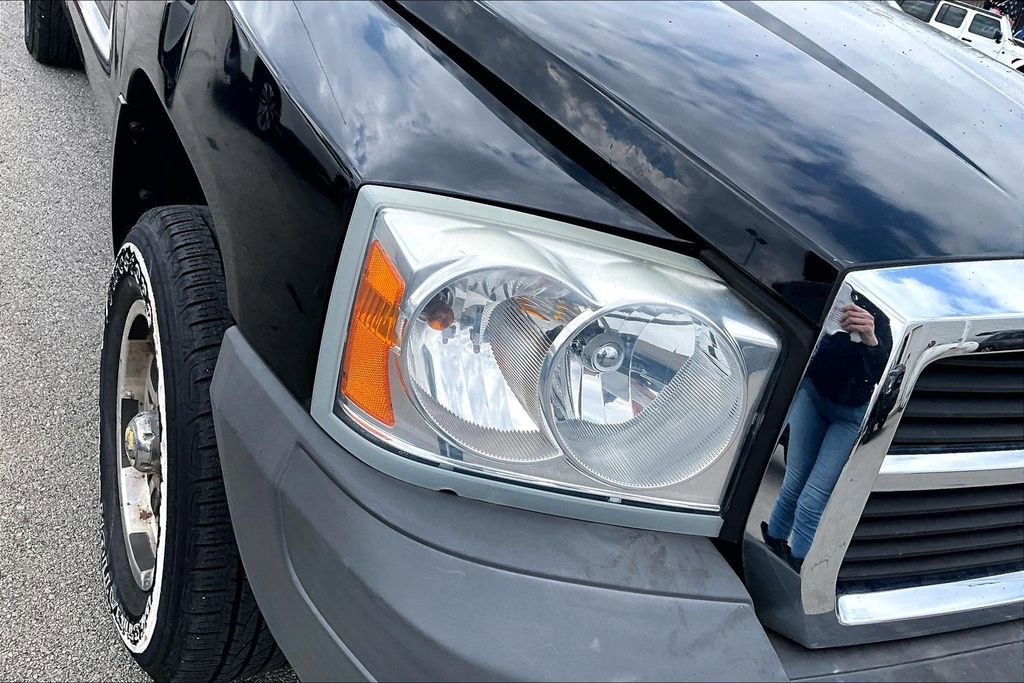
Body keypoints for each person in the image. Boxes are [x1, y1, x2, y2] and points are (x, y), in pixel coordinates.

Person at [762, 294, 892, 571]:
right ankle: (772, 540)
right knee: (793, 482)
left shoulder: (878, 319)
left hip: (850, 412)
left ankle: (798, 564)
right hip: (813, 395)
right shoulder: (828, 297)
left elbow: (880, 372)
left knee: (813, 498)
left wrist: (871, 338)